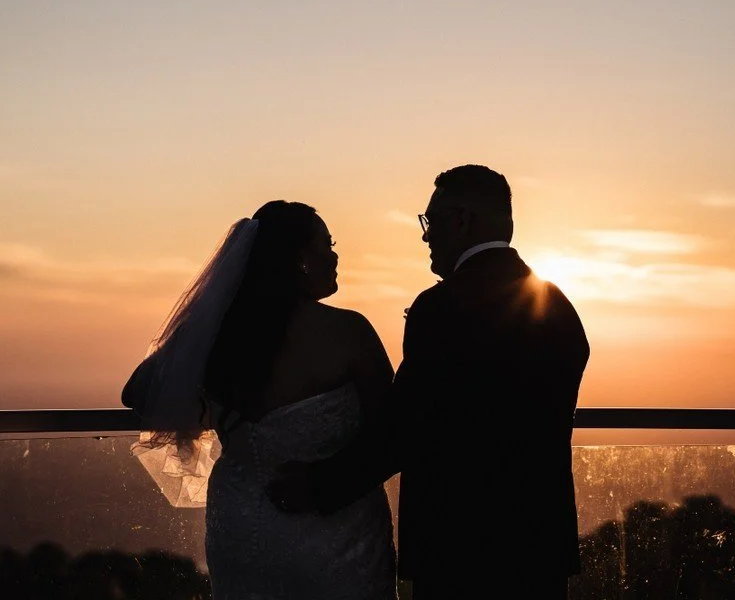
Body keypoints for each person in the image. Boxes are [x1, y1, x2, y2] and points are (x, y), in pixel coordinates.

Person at [270, 165, 590, 599]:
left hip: (460, 547)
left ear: (460, 220)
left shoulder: (441, 308)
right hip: (538, 547)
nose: (425, 236)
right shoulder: (559, 307)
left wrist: (318, 486)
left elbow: (405, 428)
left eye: (430, 221)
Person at [126, 201, 397, 600]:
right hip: (336, 531)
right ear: (301, 260)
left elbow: (137, 393)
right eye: (328, 243)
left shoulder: (220, 337)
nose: (335, 254)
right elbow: (393, 430)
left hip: (240, 523)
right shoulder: (348, 332)